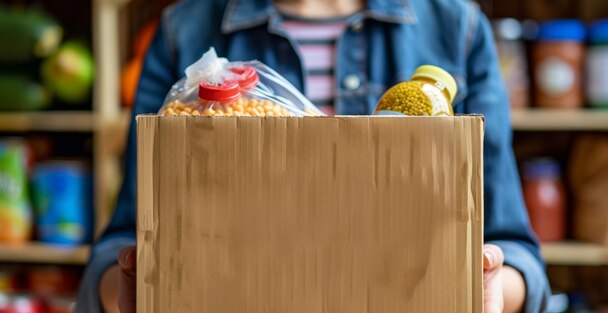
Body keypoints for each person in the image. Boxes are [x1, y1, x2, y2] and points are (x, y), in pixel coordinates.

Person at [76, 0, 551, 312]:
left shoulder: (457, 28)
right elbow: (123, 239)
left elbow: (514, 250)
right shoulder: (186, 29)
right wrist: (133, 290)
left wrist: (488, 292)